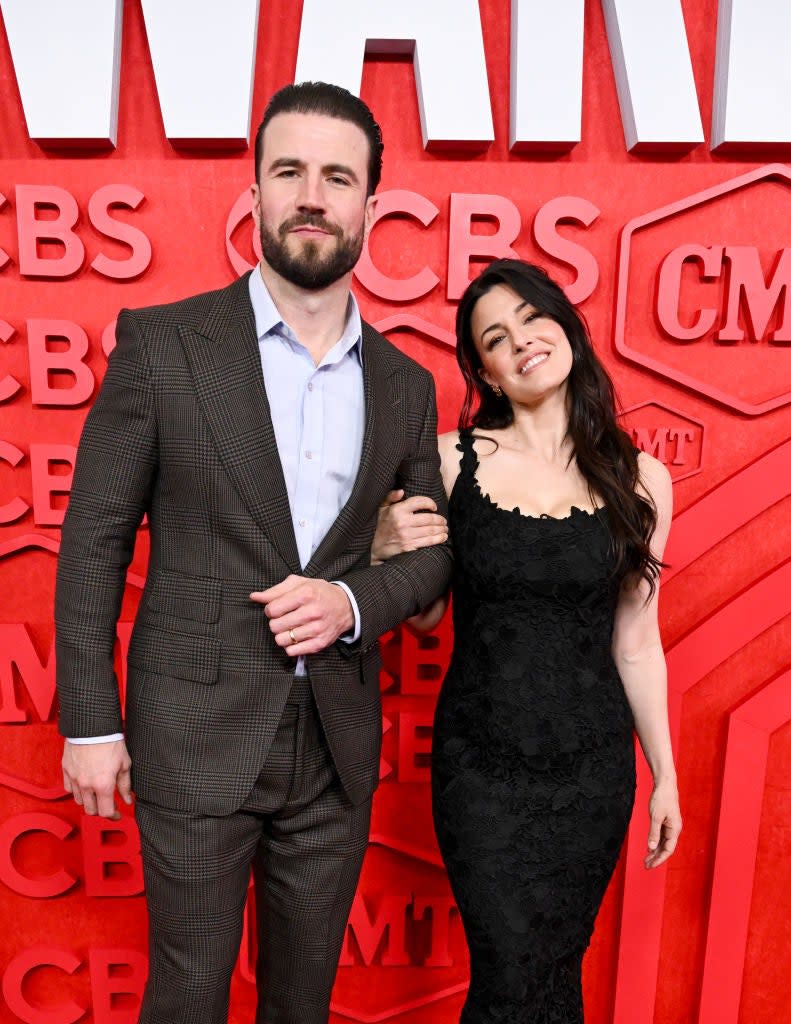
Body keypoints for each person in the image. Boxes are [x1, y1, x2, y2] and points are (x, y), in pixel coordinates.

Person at [55, 81, 452, 1024]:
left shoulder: (406, 385)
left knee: (301, 1004)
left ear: (368, 204)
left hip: (335, 750)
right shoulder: (163, 346)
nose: (312, 194)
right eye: (290, 171)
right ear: (259, 193)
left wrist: (352, 603)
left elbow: (431, 555)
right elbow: (94, 540)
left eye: (337, 176)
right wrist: (90, 723)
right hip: (191, 732)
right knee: (189, 995)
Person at [371, 259, 681, 1023]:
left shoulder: (641, 479)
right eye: (496, 338)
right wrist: (383, 549)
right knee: (508, 977)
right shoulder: (450, 461)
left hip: (590, 773)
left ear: (566, 326)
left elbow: (636, 640)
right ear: (486, 371)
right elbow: (423, 618)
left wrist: (663, 775)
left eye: (532, 318)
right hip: (482, 768)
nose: (523, 341)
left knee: (554, 977)